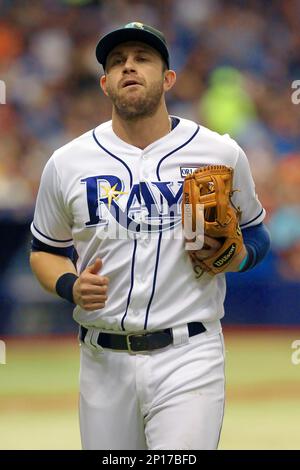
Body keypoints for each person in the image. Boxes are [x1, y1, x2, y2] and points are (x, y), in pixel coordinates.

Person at [30, 22, 270, 450]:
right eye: (118, 62)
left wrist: (239, 258)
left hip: (189, 353)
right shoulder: (66, 163)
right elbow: (44, 250)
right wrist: (70, 285)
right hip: (103, 361)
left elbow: (257, 234)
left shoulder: (219, 152)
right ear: (105, 83)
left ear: (168, 77)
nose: (129, 67)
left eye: (143, 58)